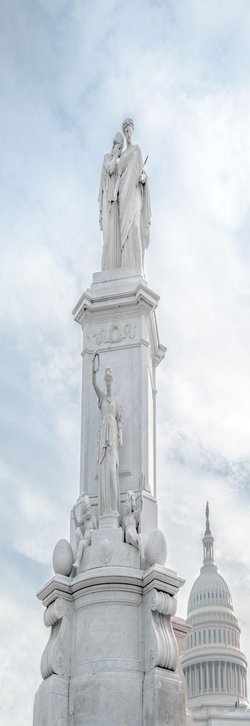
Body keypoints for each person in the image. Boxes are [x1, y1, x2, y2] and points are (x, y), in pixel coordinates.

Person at [113, 117, 151, 270]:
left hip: (135, 192)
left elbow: (142, 171)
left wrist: (144, 178)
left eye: (129, 130)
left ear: (132, 131)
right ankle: (125, 266)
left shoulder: (137, 150)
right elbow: (119, 175)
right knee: (124, 231)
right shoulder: (121, 157)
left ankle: (137, 266)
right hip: (124, 193)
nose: (128, 133)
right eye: (125, 131)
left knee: (135, 226)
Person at [92, 354, 123, 516]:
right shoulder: (102, 398)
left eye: (110, 379)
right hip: (104, 433)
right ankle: (105, 509)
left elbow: (120, 420)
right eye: (107, 380)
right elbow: (93, 385)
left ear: (113, 381)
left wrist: (120, 436)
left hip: (113, 438)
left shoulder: (117, 401)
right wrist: (94, 372)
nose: (108, 382)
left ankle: (114, 508)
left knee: (112, 471)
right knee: (104, 470)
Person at [98, 131, 124, 270]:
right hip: (107, 201)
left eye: (120, 146)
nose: (118, 148)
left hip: (116, 202)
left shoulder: (119, 163)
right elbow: (109, 169)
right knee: (108, 239)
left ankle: (116, 268)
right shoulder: (107, 157)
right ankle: (107, 269)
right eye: (117, 144)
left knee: (116, 236)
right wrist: (115, 156)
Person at [72, 494, 97, 569]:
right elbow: (77, 524)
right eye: (85, 512)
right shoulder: (85, 519)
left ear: (90, 508)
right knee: (77, 531)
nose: (86, 513)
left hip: (90, 541)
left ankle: (78, 561)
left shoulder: (93, 518)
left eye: (88, 511)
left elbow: (97, 531)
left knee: (81, 543)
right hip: (84, 540)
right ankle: (78, 559)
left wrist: (93, 532)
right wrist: (74, 515)